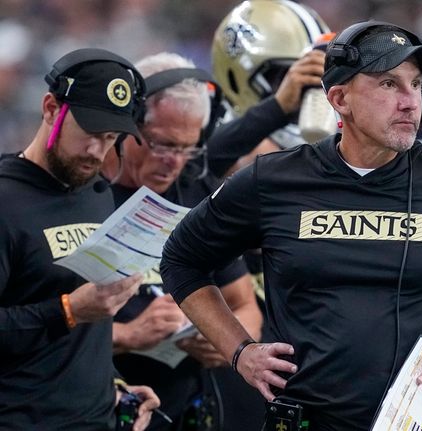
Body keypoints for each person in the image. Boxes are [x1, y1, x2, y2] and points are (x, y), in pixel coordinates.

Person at [160, 21, 422, 431]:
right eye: (389, 84)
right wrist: (240, 352)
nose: (410, 100)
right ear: (340, 99)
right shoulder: (272, 180)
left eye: (417, 84)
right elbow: (181, 259)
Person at [101, 52, 263, 430]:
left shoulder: (193, 196)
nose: (174, 162)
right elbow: (40, 322)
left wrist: (227, 342)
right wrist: (128, 335)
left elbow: (246, 307)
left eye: (187, 148)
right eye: (162, 145)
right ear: (127, 126)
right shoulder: (85, 196)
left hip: (184, 409)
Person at [0, 48, 159, 430]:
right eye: (88, 132)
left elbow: (84, 336)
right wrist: (68, 309)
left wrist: (114, 386)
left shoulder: (97, 192)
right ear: (51, 108)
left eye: (109, 137)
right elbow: (72, 311)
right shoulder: (6, 200)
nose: (95, 151)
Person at [207, 0, 331, 177]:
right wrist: (277, 107)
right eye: (287, 77)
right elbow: (206, 157)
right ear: (237, 76)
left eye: (317, 75)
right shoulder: (203, 129)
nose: (305, 90)